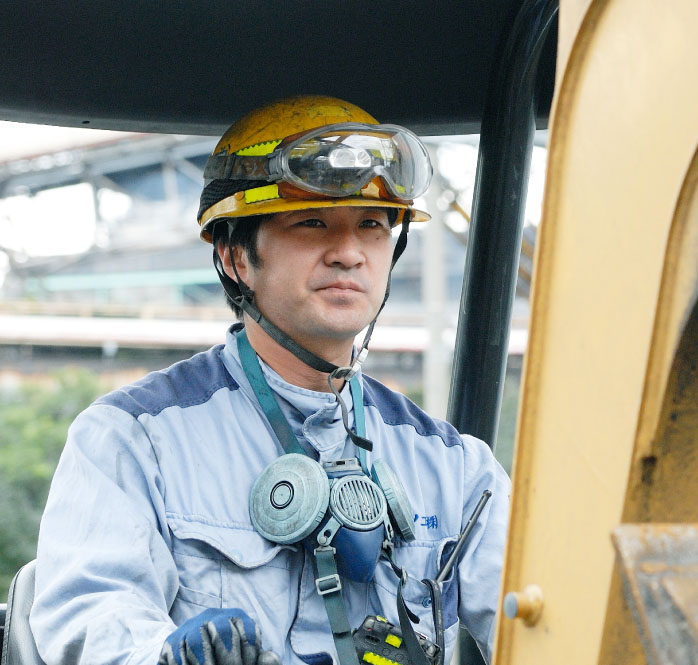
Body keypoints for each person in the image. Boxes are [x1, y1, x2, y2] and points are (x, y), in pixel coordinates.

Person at [30, 96, 510, 665]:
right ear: (234, 254)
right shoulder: (134, 440)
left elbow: (550, 619)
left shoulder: (455, 467)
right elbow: (90, 613)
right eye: (312, 223)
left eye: (372, 225)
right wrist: (160, 657)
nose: (349, 253)